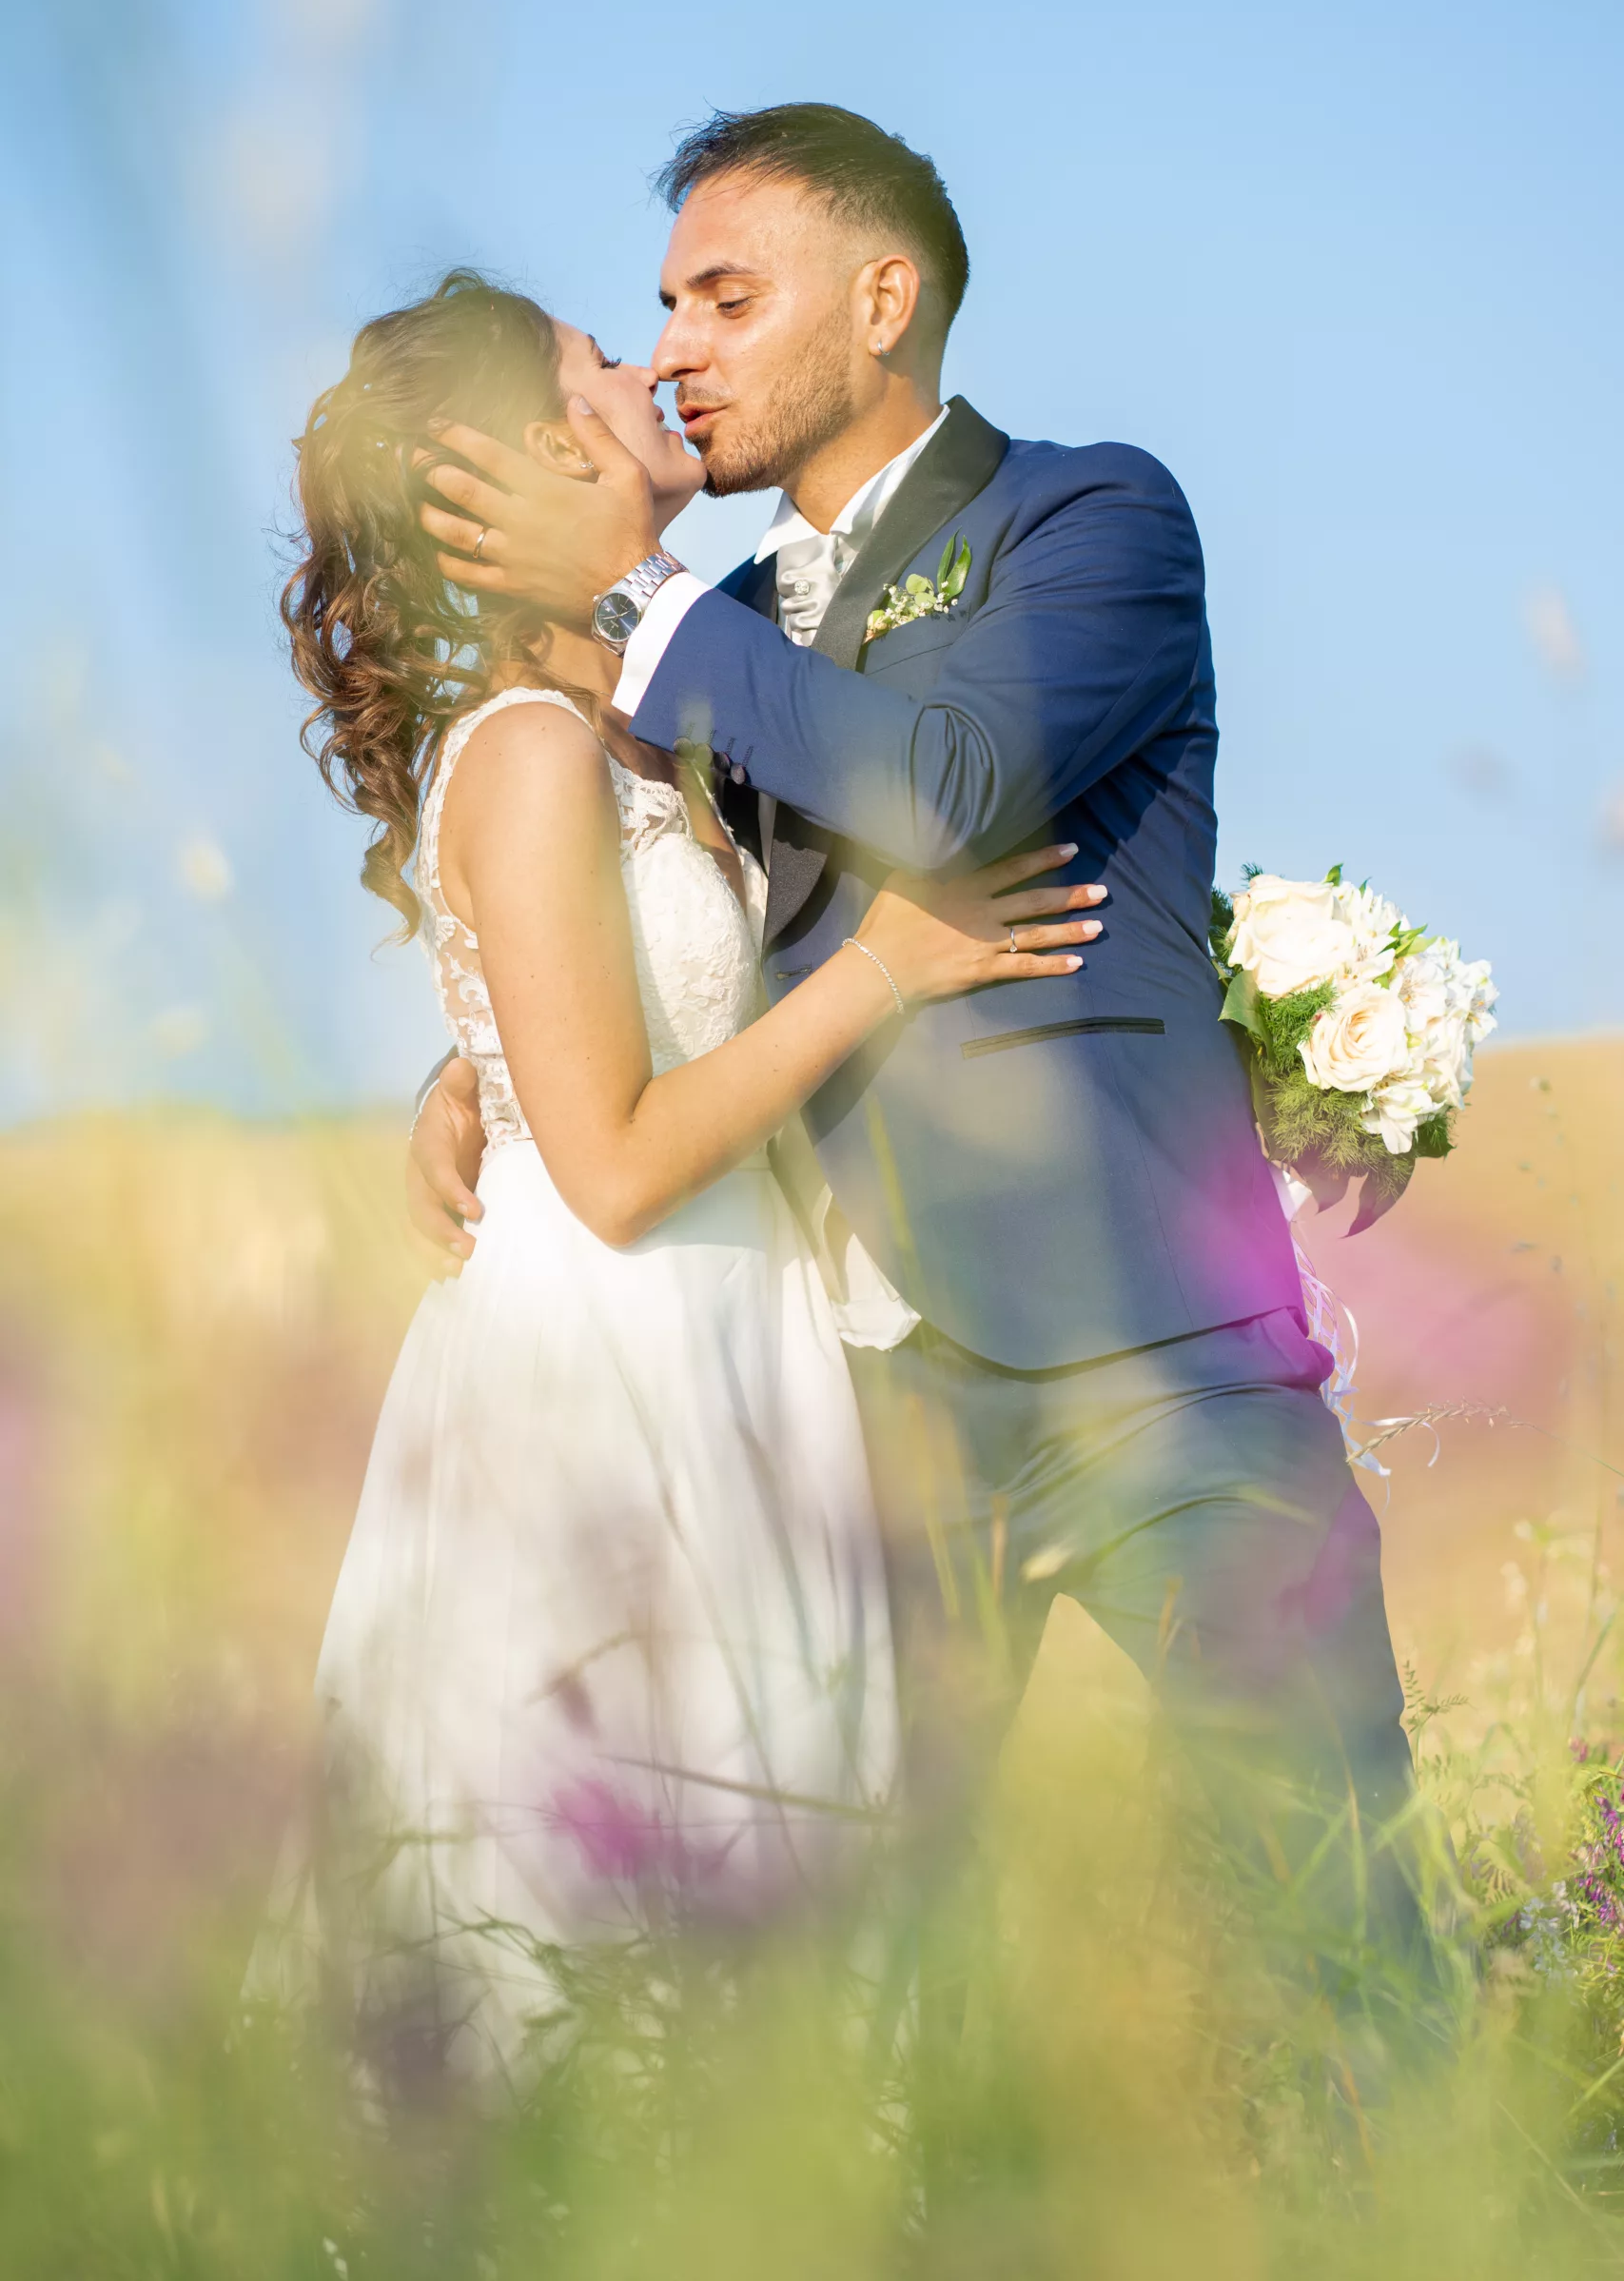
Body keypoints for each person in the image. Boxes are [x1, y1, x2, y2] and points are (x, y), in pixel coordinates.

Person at [409, 107, 1433, 1992]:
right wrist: (484, 1062)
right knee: (885, 2005)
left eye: (725, 296)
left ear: (882, 299)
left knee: (1332, 1927)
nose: (673, 352)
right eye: (657, 308)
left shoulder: (1089, 517)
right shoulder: (708, 629)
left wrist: (625, 594)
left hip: (1152, 1376)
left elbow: (952, 790)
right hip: (856, 1429)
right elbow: (629, 909)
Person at [256, 268, 1101, 2091]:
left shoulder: (649, 706)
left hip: (742, 1341)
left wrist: (466, 1070)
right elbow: (621, 1165)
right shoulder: (539, 751)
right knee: (619, 1901)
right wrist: (893, 960)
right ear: (533, 454)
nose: (647, 368)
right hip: (622, 1364)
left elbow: (614, 1004)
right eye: (599, 357)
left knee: (762, 1884)